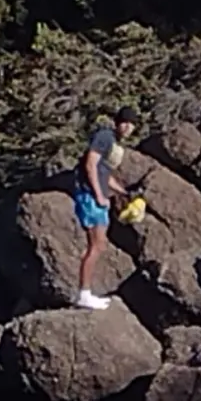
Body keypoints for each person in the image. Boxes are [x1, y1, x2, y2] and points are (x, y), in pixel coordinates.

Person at [73, 106, 138, 310]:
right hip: (90, 196)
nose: (128, 127)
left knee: (99, 245)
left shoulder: (114, 144)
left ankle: (87, 292)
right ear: (118, 122)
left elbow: (105, 174)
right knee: (97, 244)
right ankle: (84, 294)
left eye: (132, 124)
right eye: (125, 122)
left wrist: (123, 193)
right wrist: (99, 195)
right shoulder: (104, 136)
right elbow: (91, 165)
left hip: (98, 197)